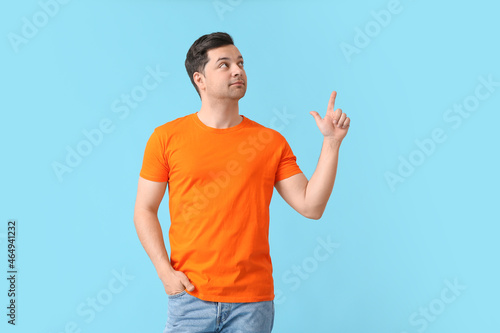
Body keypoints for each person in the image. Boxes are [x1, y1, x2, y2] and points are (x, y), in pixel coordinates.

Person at [133, 32, 350, 333]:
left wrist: (331, 143)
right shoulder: (166, 138)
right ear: (200, 79)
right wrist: (163, 271)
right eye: (224, 64)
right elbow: (144, 208)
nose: (238, 70)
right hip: (190, 296)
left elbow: (311, 205)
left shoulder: (269, 142)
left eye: (240, 63)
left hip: (252, 303)